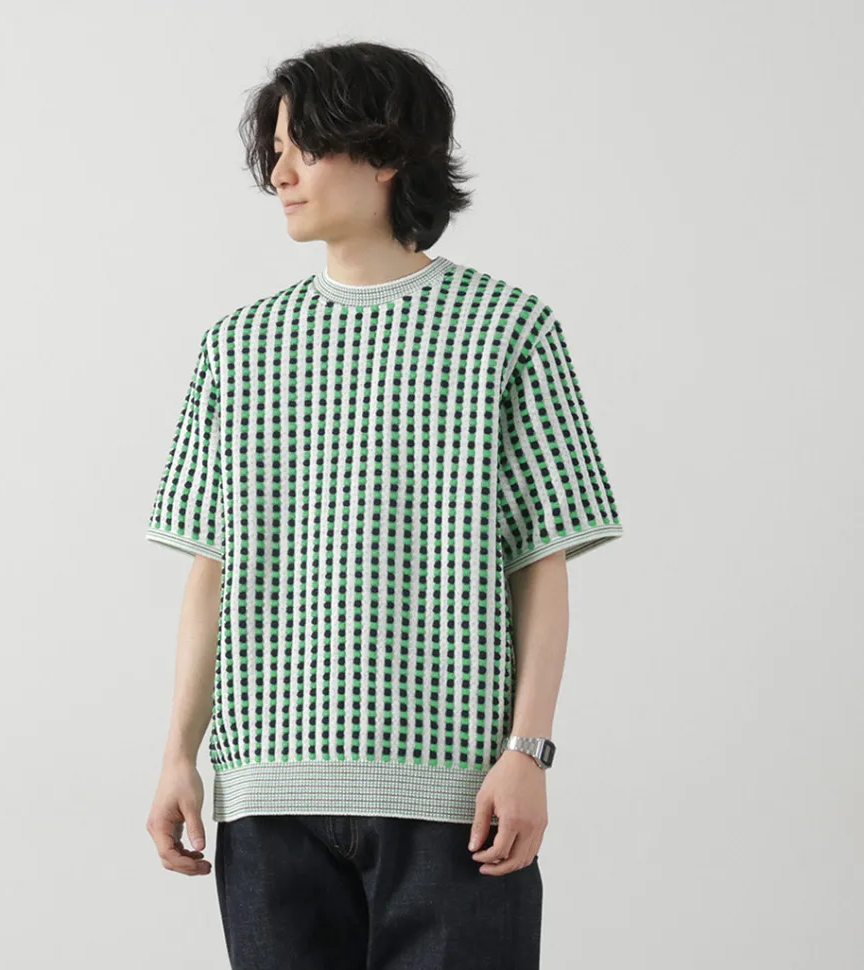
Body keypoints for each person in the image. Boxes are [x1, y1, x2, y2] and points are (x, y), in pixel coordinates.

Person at [143, 40, 624, 970]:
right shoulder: (236, 347)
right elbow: (211, 570)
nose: (280, 175)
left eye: (305, 148)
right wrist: (177, 756)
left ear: (387, 151)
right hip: (267, 796)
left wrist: (528, 751)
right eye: (274, 153)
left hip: (455, 798)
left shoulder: (508, 329)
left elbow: (542, 560)